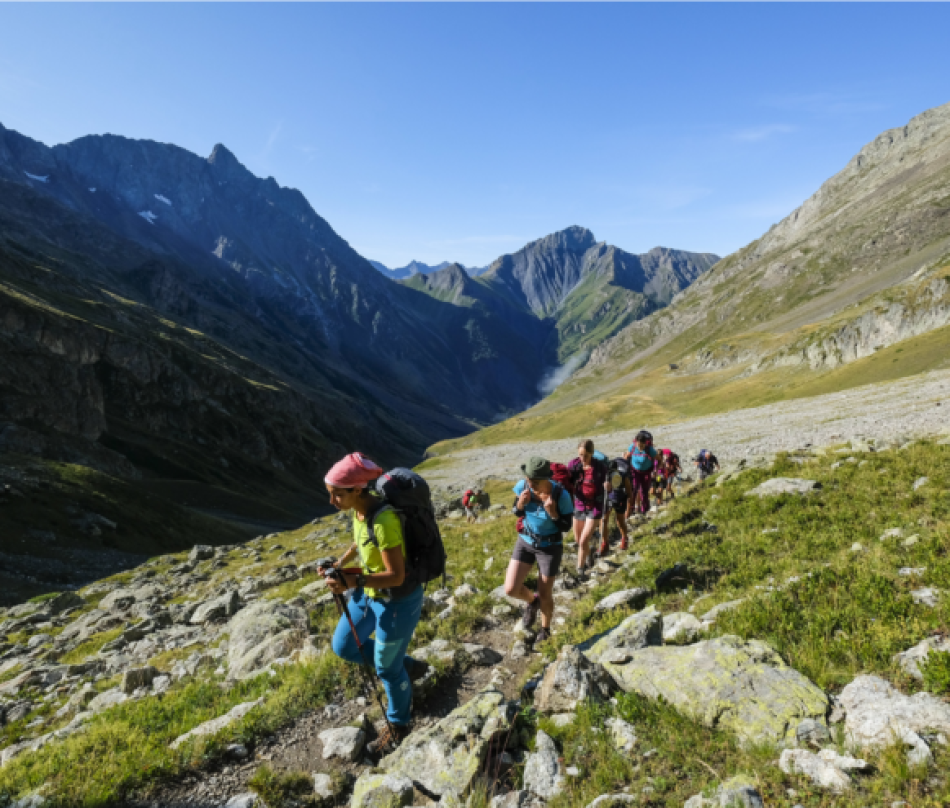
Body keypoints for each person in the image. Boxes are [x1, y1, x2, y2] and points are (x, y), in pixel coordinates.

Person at [322, 452, 426, 753]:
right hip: (369, 595)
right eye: (330, 493)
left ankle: (399, 724)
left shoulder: (384, 520)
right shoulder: (359, 511)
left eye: (337, 495)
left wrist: (353, 582)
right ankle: (408, 667)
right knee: (344, 645)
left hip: (396, 601)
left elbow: (396, 575)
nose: (332, 501)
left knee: (386, 669)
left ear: (357, 489)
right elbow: (361, 541)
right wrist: (339, 564)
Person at [505, 456, 574, 645]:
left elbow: (566, 526)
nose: (531, 484)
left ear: (547, 479)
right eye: (528, 479)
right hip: (526, 541)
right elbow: (516, 511)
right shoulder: (523, 487)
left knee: (545, 592)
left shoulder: (561, 496)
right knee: (510, 589)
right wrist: (520, 504)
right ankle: (532, 601)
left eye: (535, 481)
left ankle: (545, 630)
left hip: (550, 547)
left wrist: (553, 513)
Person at [568, 439, 610, 574]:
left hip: (595, 506)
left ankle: (580, 570)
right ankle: (589, 553)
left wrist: (608, 486)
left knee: (582, 541)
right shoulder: (573, 465)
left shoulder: (600, 467)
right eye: (580, 455)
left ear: (592, 453)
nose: (583, 458)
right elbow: (567, 481)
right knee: (578, 540)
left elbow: (609, 486)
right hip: (579, 505)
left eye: (585, 455)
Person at [601, 456, 634, 553]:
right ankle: (605, 543)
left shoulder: (623, 476)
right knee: (603, 520)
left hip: (620, 498)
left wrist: (629, 508)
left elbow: (629, 493)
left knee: (619, 521)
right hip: (607, 498)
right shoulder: (604, 476)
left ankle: (624, 538)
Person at [626, 430, 658, 515]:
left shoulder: (650, 450)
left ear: (645, 443)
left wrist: (656, 470)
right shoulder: (632, 447)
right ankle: (631, 509)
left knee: (644, 491)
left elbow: (659, 459)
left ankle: (645, 510)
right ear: (636, 442)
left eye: (642, 446)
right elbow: (626, 456)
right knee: (633, 489)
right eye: (638, 445)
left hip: (646, 472)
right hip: (635, 471)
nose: (640, 448)